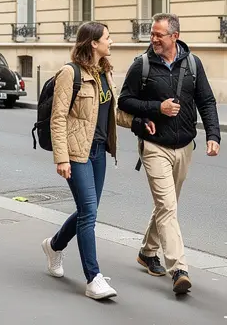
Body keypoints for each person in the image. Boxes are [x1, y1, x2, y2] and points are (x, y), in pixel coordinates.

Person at [40, 21, 154, 300]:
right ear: (93, 43)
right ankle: (93, 278)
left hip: (99, 151)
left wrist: (140, 122)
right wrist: (61, 158)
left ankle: (54, 246)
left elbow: (111, 113)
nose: (111, 41)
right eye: (107, 37)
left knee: (86, 211)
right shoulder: (70, 73)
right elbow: (58, 118)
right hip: (77, 153)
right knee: (89, 213)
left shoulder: (104, 72)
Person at [118, 12, 221, 295]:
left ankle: (147, 251)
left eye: (159, 35)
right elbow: (124, 101)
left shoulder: (192, 64)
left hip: (185, 146)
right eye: (151, 34)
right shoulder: (142, 65)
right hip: (154, 147)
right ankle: (179, 269)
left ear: (175, 36)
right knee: (167, 207)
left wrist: (213, 134)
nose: (153, 39)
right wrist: (156, 108)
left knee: (168, 205)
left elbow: (206, 101)